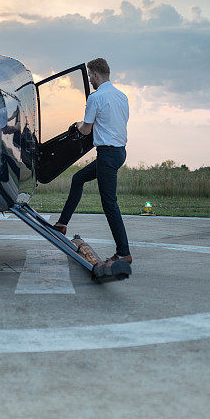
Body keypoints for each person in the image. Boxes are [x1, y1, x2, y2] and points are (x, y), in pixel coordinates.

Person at [53, 57, 131, 264]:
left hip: (107, 154)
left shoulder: (95, 98)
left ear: (96, 74)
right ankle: (62, 223)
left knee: (109, 203)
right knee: (78, 179)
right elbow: (110, 124)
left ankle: (124, 252)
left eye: (89, 76)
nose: (89, 80)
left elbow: (86, 129)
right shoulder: (122, 97)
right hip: (119, 152)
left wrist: (76, 125)